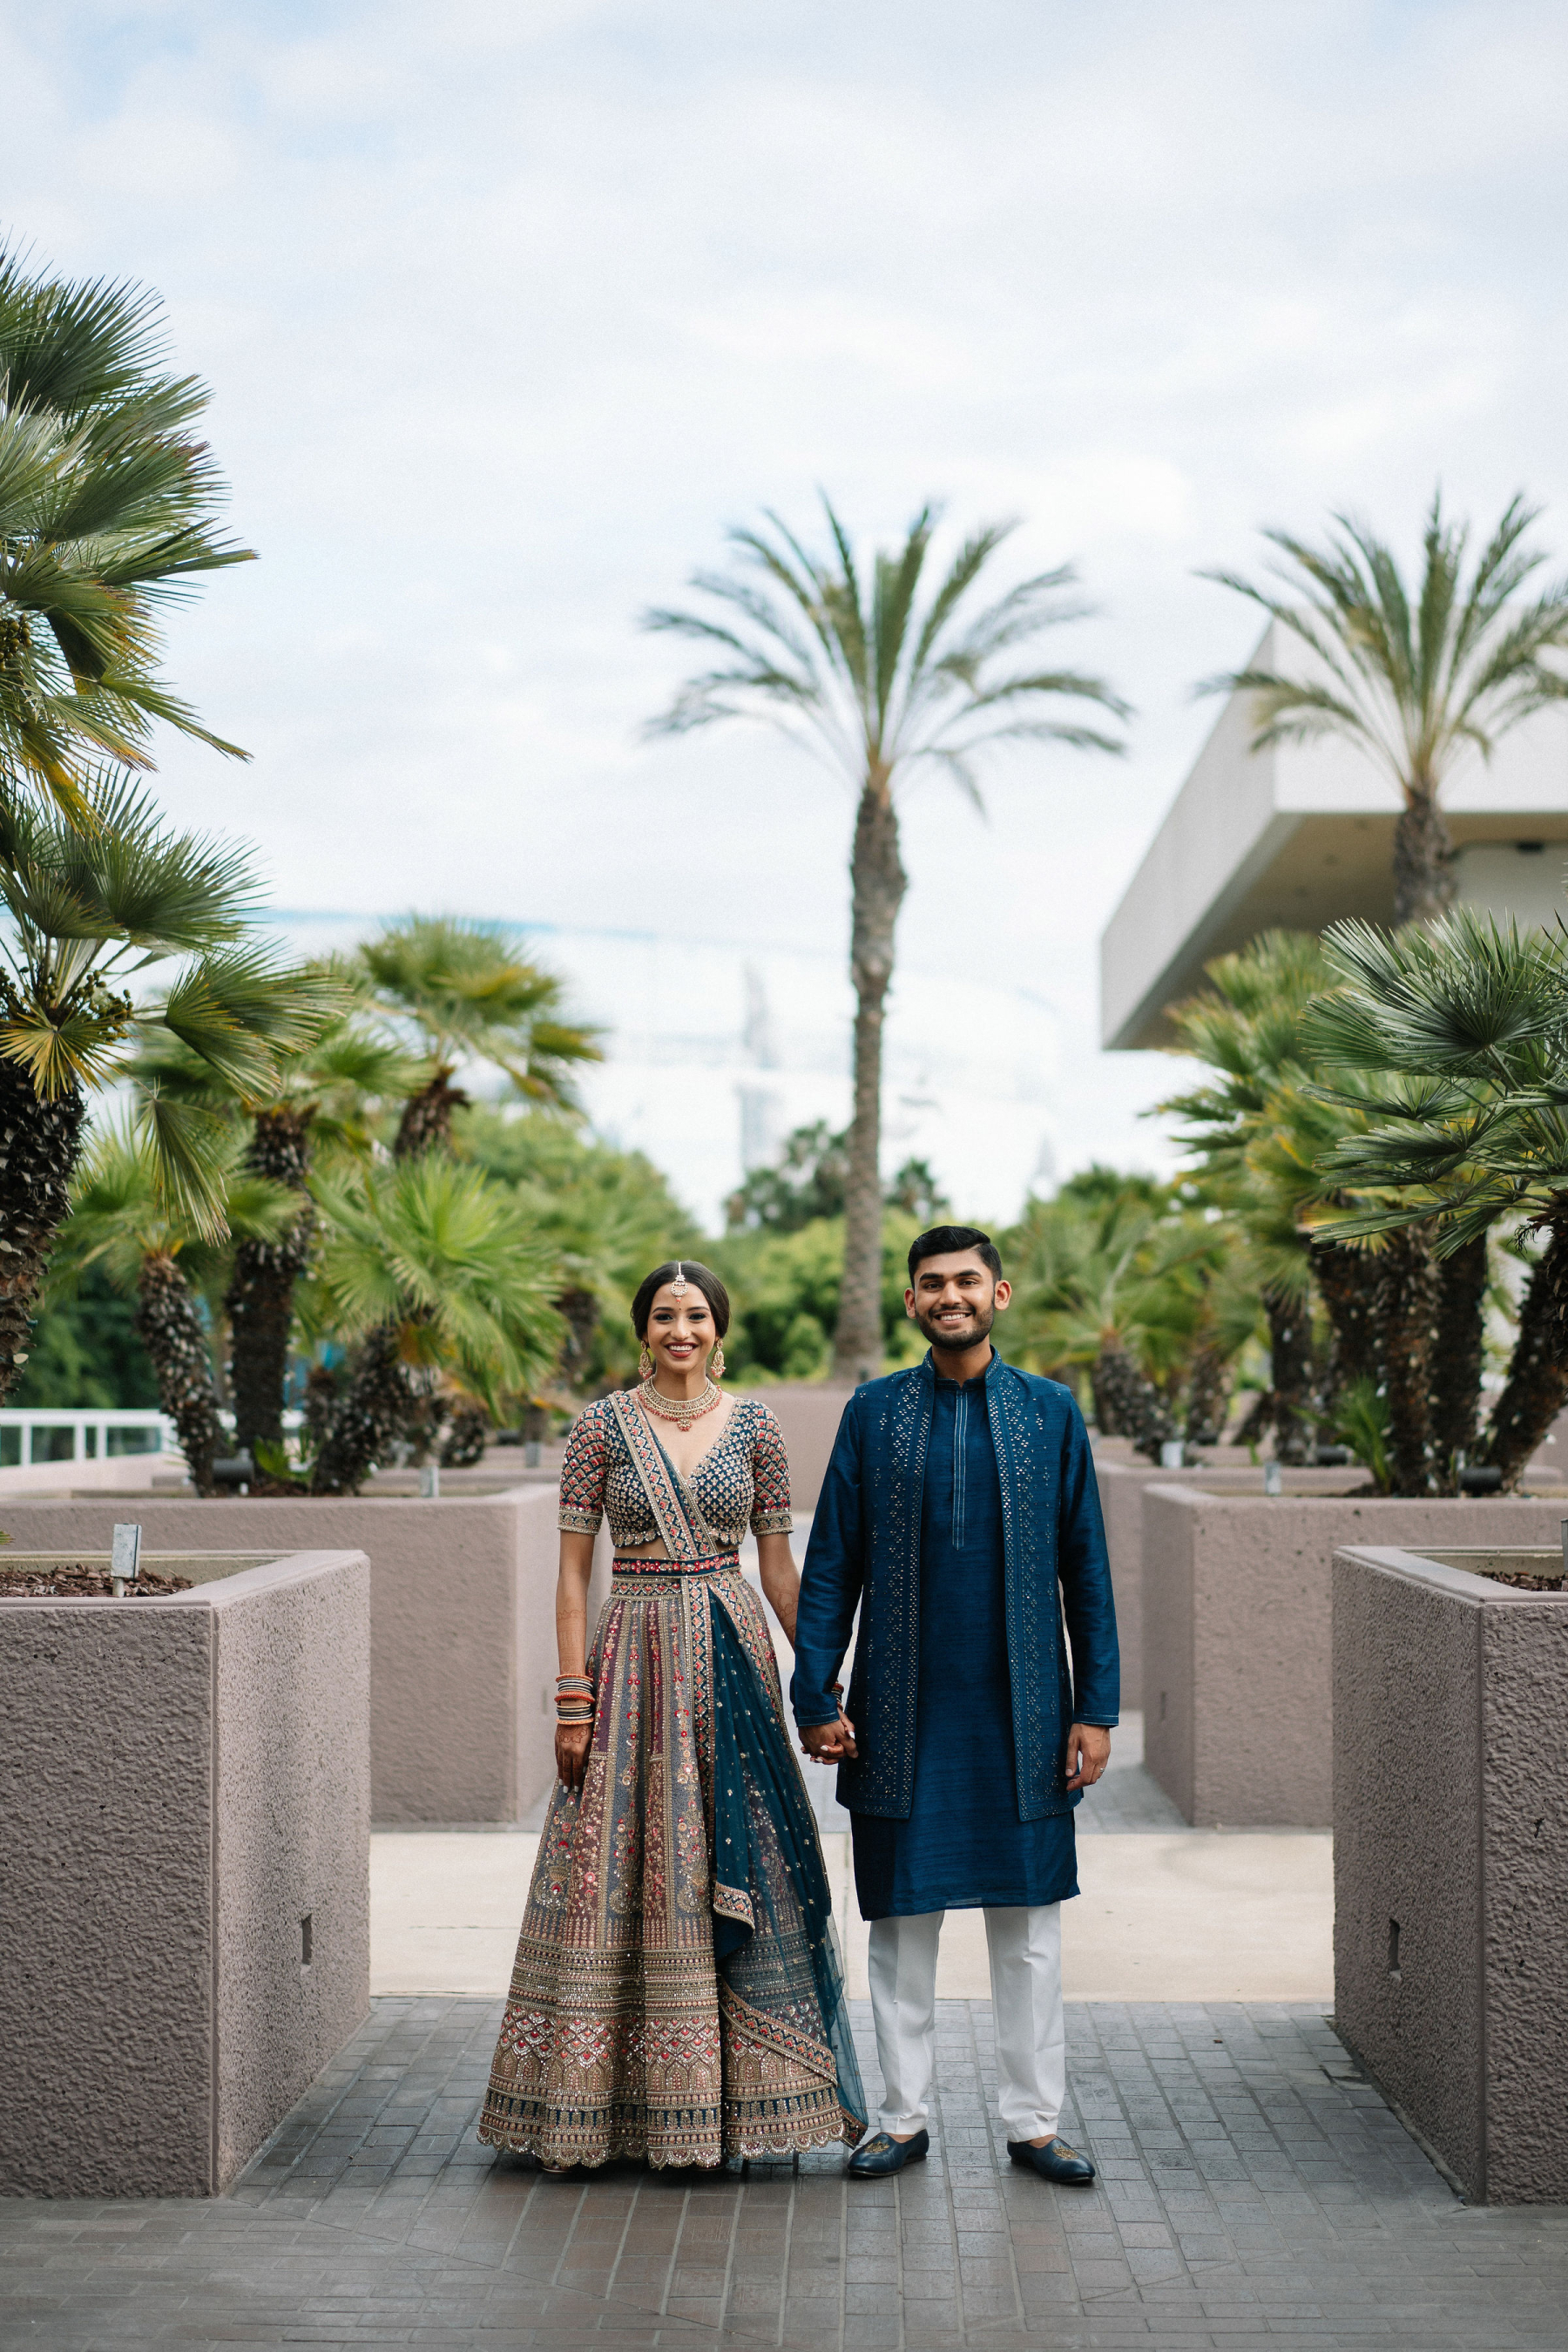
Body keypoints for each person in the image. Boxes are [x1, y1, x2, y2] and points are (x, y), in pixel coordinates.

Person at [477, 1259, 865, 2172]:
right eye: (663, 1316)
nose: (680, 1331)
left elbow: (778, 1568)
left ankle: (736, 2108)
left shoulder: (756, 1426)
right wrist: (572, 1703)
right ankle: (607, 2108)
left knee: (749, 1856)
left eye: (695, 1315)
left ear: (718, 1329)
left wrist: (823, 1680)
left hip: (731, 1658)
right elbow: (573, 1572)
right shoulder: (600, 1428)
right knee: (623, 1863)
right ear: (641, 1329)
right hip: (631, 1665)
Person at [791, 1224, 1118, 2183]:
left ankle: (1033, 2123)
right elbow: (831, 1568)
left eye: (966, 1281)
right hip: (901, 1715)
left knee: (1028, 1933)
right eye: (931, 1284)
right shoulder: (873, 1412)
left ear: (999, 1295)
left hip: (1022, 1716)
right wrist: (817, 1691)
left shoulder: (1052, 1413)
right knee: (899, 1929)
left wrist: (1094, 1707)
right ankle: (900, 2117)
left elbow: (1087, 1572)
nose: (950, 1296)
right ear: (911, 1303)